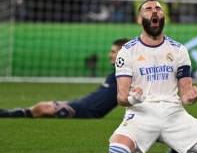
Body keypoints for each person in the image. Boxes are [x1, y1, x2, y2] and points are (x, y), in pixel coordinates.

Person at [108, 0, 197, 153]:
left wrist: (191, 97)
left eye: (158, 8)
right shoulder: (127, 51)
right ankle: (169, 143)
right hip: (141, 114)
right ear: (139, 19)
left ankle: (177, 146)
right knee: (117, 152)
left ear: (163, 16)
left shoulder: (179, 50)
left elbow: (185, 94)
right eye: (148, 9)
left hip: (173, 113)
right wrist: (133, 98)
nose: (154, 11)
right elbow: (121, 98)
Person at [0, 38, 129, 118]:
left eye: (113, 52)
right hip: (81, 104)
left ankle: (5, 114)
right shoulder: (116, 73)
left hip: (86, 111)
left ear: (122, 53)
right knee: (42, 111)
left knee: (42, 107)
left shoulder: (125, 75)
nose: (109, 55)